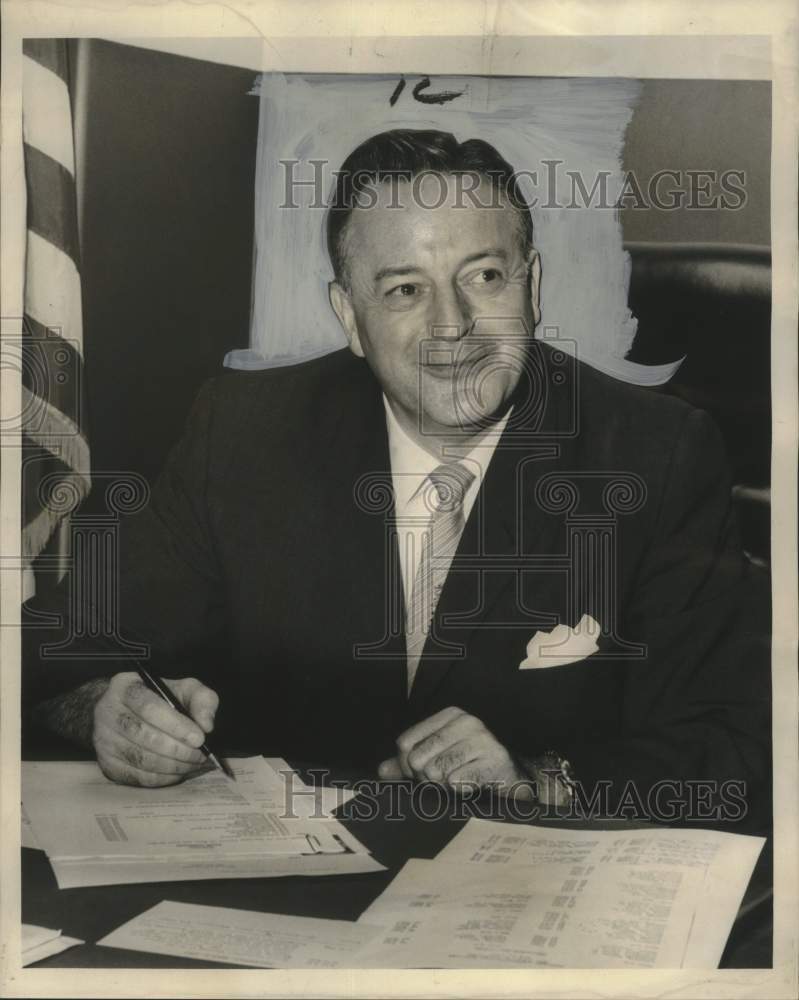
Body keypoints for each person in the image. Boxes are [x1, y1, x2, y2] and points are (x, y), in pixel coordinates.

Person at [24, 130, 769, 819]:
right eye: (404, 289)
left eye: (483, 275)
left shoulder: (654, 453)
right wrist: (102, 707)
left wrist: (536, 778)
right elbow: (52, 646)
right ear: (348, 317)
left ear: (532, 285)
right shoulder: (247, 431)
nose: (452, 325)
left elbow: (732, 749)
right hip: (290, 902)